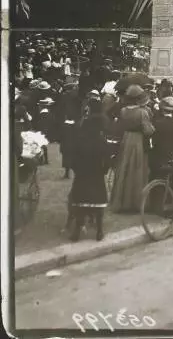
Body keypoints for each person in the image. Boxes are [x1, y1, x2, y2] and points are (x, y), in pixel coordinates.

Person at [110, 85, 154, 213]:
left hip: (126, 139)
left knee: (124, 168)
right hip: (138, 141)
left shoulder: (123, 111)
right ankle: (136, 202)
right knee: (138, 168)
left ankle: (123, 201)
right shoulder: (142, 112)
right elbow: (148, 131)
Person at [69, 97, 108, 241]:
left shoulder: (80, 140)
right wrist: (103, 170)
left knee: (80, 204)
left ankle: (76, 232)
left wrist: (77, 170)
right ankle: (99, 231)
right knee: (99, 205)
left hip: (82, 176)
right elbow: (108, 160)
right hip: (97, 176)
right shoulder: (102, 141)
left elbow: (73, 159)